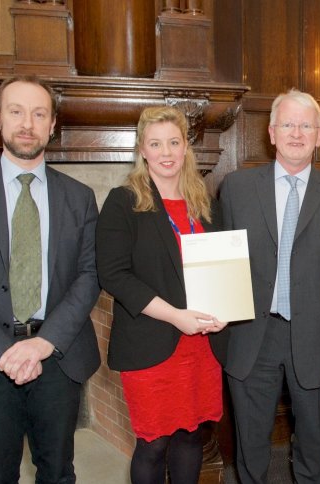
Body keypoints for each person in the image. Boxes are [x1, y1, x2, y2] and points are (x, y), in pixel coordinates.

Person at [214, 89, 320, 483]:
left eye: (306, 125)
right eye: (288, 124)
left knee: (312, 446)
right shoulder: (236, 188)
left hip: (316, 338)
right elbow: (219, 262)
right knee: (251, 447)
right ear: (271, 132)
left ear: (319, 135)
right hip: (250, 338)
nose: (296, 133)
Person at [0, 75, 100, 483]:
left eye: (39, 113)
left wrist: (44, 342)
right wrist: (5, 351)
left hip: (57, 356)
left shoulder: (79, 197)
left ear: (52, 124)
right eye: (16, 111)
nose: (28, 123)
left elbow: (89, 275)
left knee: (58, 472)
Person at [96, 106, 227, 484]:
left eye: (174, 142)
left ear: (186, 147)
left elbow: (222, 268)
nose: (166, 152)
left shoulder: (205, 203)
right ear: (142, 149)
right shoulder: (123, 201)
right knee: (153, 443)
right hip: (151, 342)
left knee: (191, 437)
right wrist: (175, 315)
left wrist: (225, 308)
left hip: (203, 342)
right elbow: (114, 275)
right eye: (156, 144)